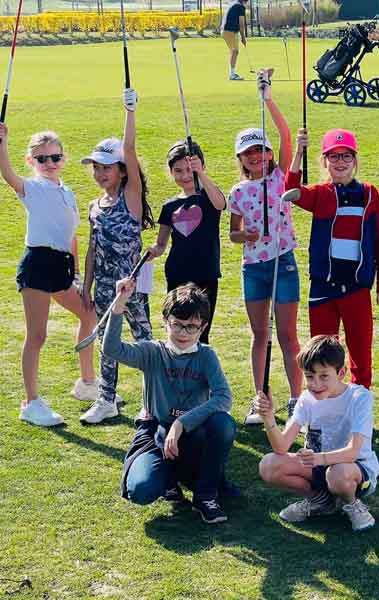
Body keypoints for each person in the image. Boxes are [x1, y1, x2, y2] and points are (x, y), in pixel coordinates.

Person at [107, 280, 236, 524]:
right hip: (155, 429)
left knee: (223, 425)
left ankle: (205, 495)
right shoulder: (152, 352)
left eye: (192, 327)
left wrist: (181, 424)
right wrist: (119, 304)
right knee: (141, 490)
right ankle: (169, 478)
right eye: (177, 325)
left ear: (203, 327)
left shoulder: (206, 356)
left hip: (192, 432)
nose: (184, 333)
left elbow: (223, 397)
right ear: (165, 321)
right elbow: (112, 349)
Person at [0, 125, 98, 426]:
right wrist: (2, 144)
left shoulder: (67, 192)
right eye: (42, 159)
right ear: (31, 162)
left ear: (64, 158)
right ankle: (31, 402)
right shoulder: (33, 188)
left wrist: (78, 276)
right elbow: (9, 176)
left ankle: (87, 383)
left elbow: (72, 237)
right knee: (37, 335)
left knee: (89, 315)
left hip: (62, 267)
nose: (50, 163)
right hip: (37, 265)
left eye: (55, 156)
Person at [285, 127, 379, 391]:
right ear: (325, 161)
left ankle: (360, 404)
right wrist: (299, 151)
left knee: (360, 354)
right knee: (321, 354)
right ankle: (324, 405)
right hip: (323, 288)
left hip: (356, 288)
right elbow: (291, 189)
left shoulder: (369, 194)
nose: (340, 162)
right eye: (334, 157)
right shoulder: (320, 194)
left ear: (355, 160)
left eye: (346, 156)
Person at [229, 70, 302, 425]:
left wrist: (268, 98)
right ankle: (260, 399)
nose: (257, 156)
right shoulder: (238, 192)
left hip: (283, 263)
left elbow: (287, 135)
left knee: (288, 335)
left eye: (261, 150)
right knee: (260, 334)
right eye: (249, 153)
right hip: (254, 268)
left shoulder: (279, 178)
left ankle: (296, 400)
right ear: (241, 159)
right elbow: (233, 234)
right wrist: (247, 236)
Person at [81, 88, 155, 425]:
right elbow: (92, 248)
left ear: (123, 171)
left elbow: (130, 149)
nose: (99, 173)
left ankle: (153, 400)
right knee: (106, 343)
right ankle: (106, 398)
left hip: (133, 285)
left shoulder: (132, 198)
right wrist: (87, 285)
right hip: (105, 288)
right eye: (96, 168)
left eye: (107, 168)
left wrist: (130, 111)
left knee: (144, 341)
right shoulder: (95, 206)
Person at [256, 335, 379, 532]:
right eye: (309, 376)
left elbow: (353, 452)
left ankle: (352, 503)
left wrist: (317, 458)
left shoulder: (360, 397)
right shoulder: (306, 399)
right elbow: (281, 447)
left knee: (337, 473)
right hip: (319, 466)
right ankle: (319, 501)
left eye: (324, 376)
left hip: (353, 470)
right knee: (269, 465)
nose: (315, 384)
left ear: (341, 373)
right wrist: (268, 416)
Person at [147, 141, 226, 344]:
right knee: (178, 328)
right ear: (171, 172)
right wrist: (153, 251)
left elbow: (221, 203)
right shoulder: (169, 206)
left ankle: (199, 373)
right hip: (177, 273)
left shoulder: (208, 196)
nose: (184, 175)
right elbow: (162, 243)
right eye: (178, 170)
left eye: (190, 170)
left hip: (205, 274)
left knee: (200, 331)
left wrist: (201, 174)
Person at [221, 0, 248, 80]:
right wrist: (243, 37)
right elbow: (241, 23)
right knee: (234, 51)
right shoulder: (240, 7)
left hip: (231, 31)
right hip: (229, 31)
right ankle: (232, 75)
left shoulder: (234, 4)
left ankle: (232, 73)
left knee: (234, 51)